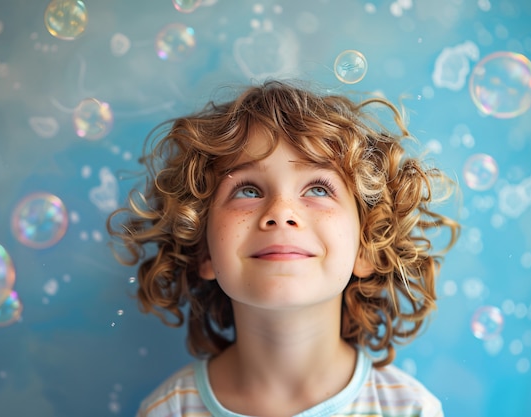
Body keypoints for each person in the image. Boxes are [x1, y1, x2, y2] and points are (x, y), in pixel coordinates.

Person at [107, 80, 460, 417]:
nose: (281, 213)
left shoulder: (411, 411)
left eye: (319, 189)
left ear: (367, 246)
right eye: (247, 190)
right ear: (204, 249)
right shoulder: (168, 411)